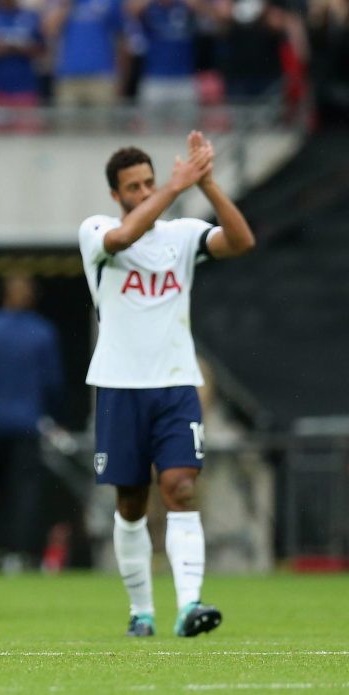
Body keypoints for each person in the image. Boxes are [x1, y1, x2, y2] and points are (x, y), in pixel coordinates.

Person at [78, 131, 255, 638]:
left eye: (149, 183)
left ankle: (190, 605)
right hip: (118, 385)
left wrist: (209, 185)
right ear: (116, 194)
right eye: (133, 187)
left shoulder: (181, 235)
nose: (143, 191)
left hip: (176, 386)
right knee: (131, 502)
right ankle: (141, 611)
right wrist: (174, 189)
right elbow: (122, 239)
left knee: (180, 488)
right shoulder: (97, 231)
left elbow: (241, 241)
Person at [0, 273, 63, 571]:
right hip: (28, 425)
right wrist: (55, 415)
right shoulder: (43, 331)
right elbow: (53, 382)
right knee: (26, 493)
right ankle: (21, 554)